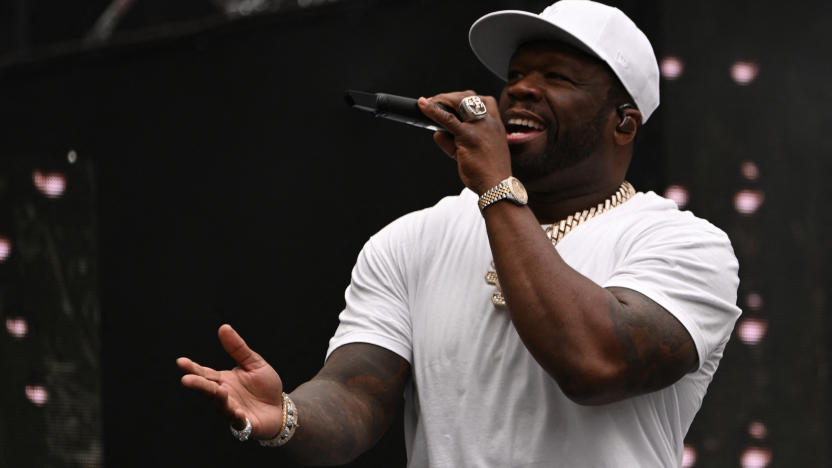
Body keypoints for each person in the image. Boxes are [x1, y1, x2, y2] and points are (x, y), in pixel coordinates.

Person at [177, 1, 741, 466]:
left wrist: (496, 186)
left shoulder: (684, 245)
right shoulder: (413, 239)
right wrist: (287, 418)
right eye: (516, 76)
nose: (520, 91)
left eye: (556, 78)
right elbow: (355, 393)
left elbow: (593, 364)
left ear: (624, 121)